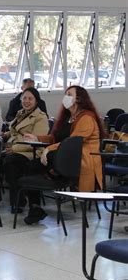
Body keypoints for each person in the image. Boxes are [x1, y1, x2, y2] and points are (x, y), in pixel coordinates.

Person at [23, 85, 105, 225]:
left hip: (81, 159)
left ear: (78, 99)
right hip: (62, 156)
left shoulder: (86, 118)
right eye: (65, 94)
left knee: (50, 157)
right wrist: (37, 138)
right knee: (30, 166)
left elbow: (72, 142)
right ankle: (35, 207)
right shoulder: (68, 118)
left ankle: (53, 174)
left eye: (69, 94)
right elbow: (56, 138)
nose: (65, 97)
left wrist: (48, 149)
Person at [0, 88, 49, 214]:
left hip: (31, 151)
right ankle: (9, 199)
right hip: (15, 148)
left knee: (10, 161)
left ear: (36, 101)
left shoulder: (40, 117)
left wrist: (14, 148)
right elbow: (16, 130)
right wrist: (6, 134)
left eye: (30, 98)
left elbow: (36, 141)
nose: (27, 101)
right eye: (24, 98)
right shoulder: (20, 113)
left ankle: (18, 201)